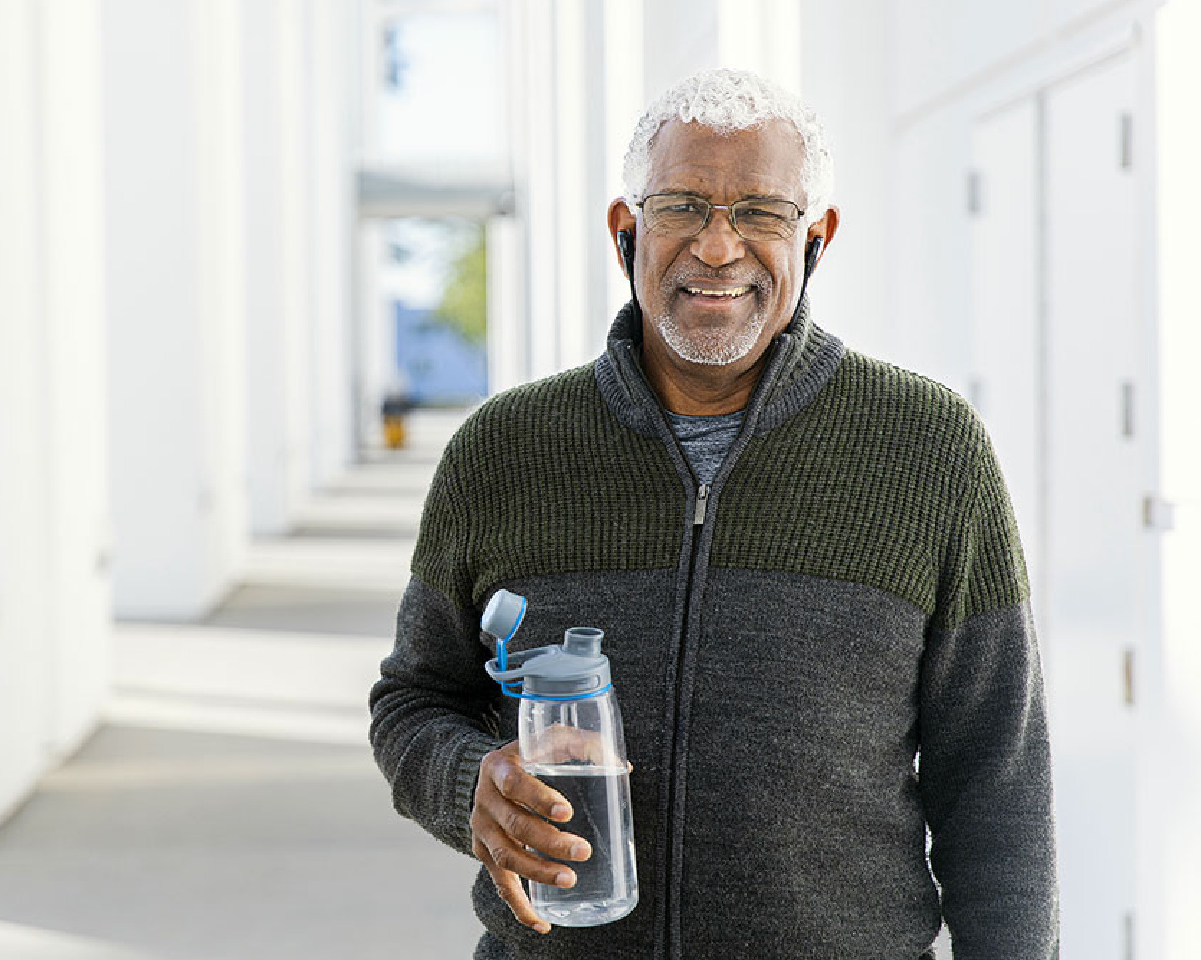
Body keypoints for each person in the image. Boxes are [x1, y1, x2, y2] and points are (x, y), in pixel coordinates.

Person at [368, 68, 1057, 960]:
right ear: (626, 232)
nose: (719, 246)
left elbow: (995, 779)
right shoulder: (504, 451)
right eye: (682, 205)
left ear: (816, 238)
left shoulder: (928, 450)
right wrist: (469, 783)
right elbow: (413, 700)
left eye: (762, 212)